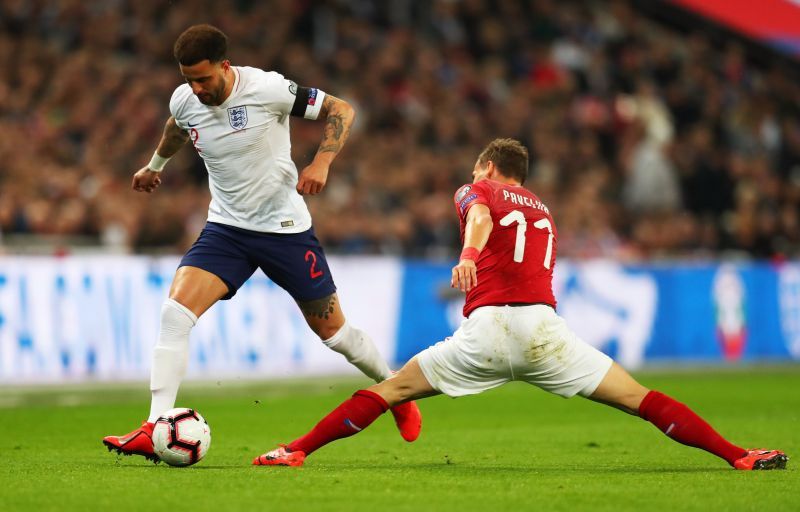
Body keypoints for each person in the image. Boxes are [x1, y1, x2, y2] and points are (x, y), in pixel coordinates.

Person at [253, 138, 788, 471]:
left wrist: (466, 254)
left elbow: (481, 222)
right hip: (544, 331)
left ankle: (295, 450)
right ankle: (737, 455)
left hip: (487, 330)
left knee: (390, 390)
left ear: (487, 166)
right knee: (640, 398)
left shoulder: (475, 190)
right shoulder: (543, 208)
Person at [103, 24, 421, 462]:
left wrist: (322, 160)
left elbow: (342, 110)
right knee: (175, 314)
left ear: (224, 66)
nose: (196, 89)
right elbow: (177, 126)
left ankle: (395, 390)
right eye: (188, 80)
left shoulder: (267, 89)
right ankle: (153, 425)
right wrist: (154, 164)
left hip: (284, 230)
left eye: (204, 79)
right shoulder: (185, 99)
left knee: (335, 334)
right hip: (227, 230)